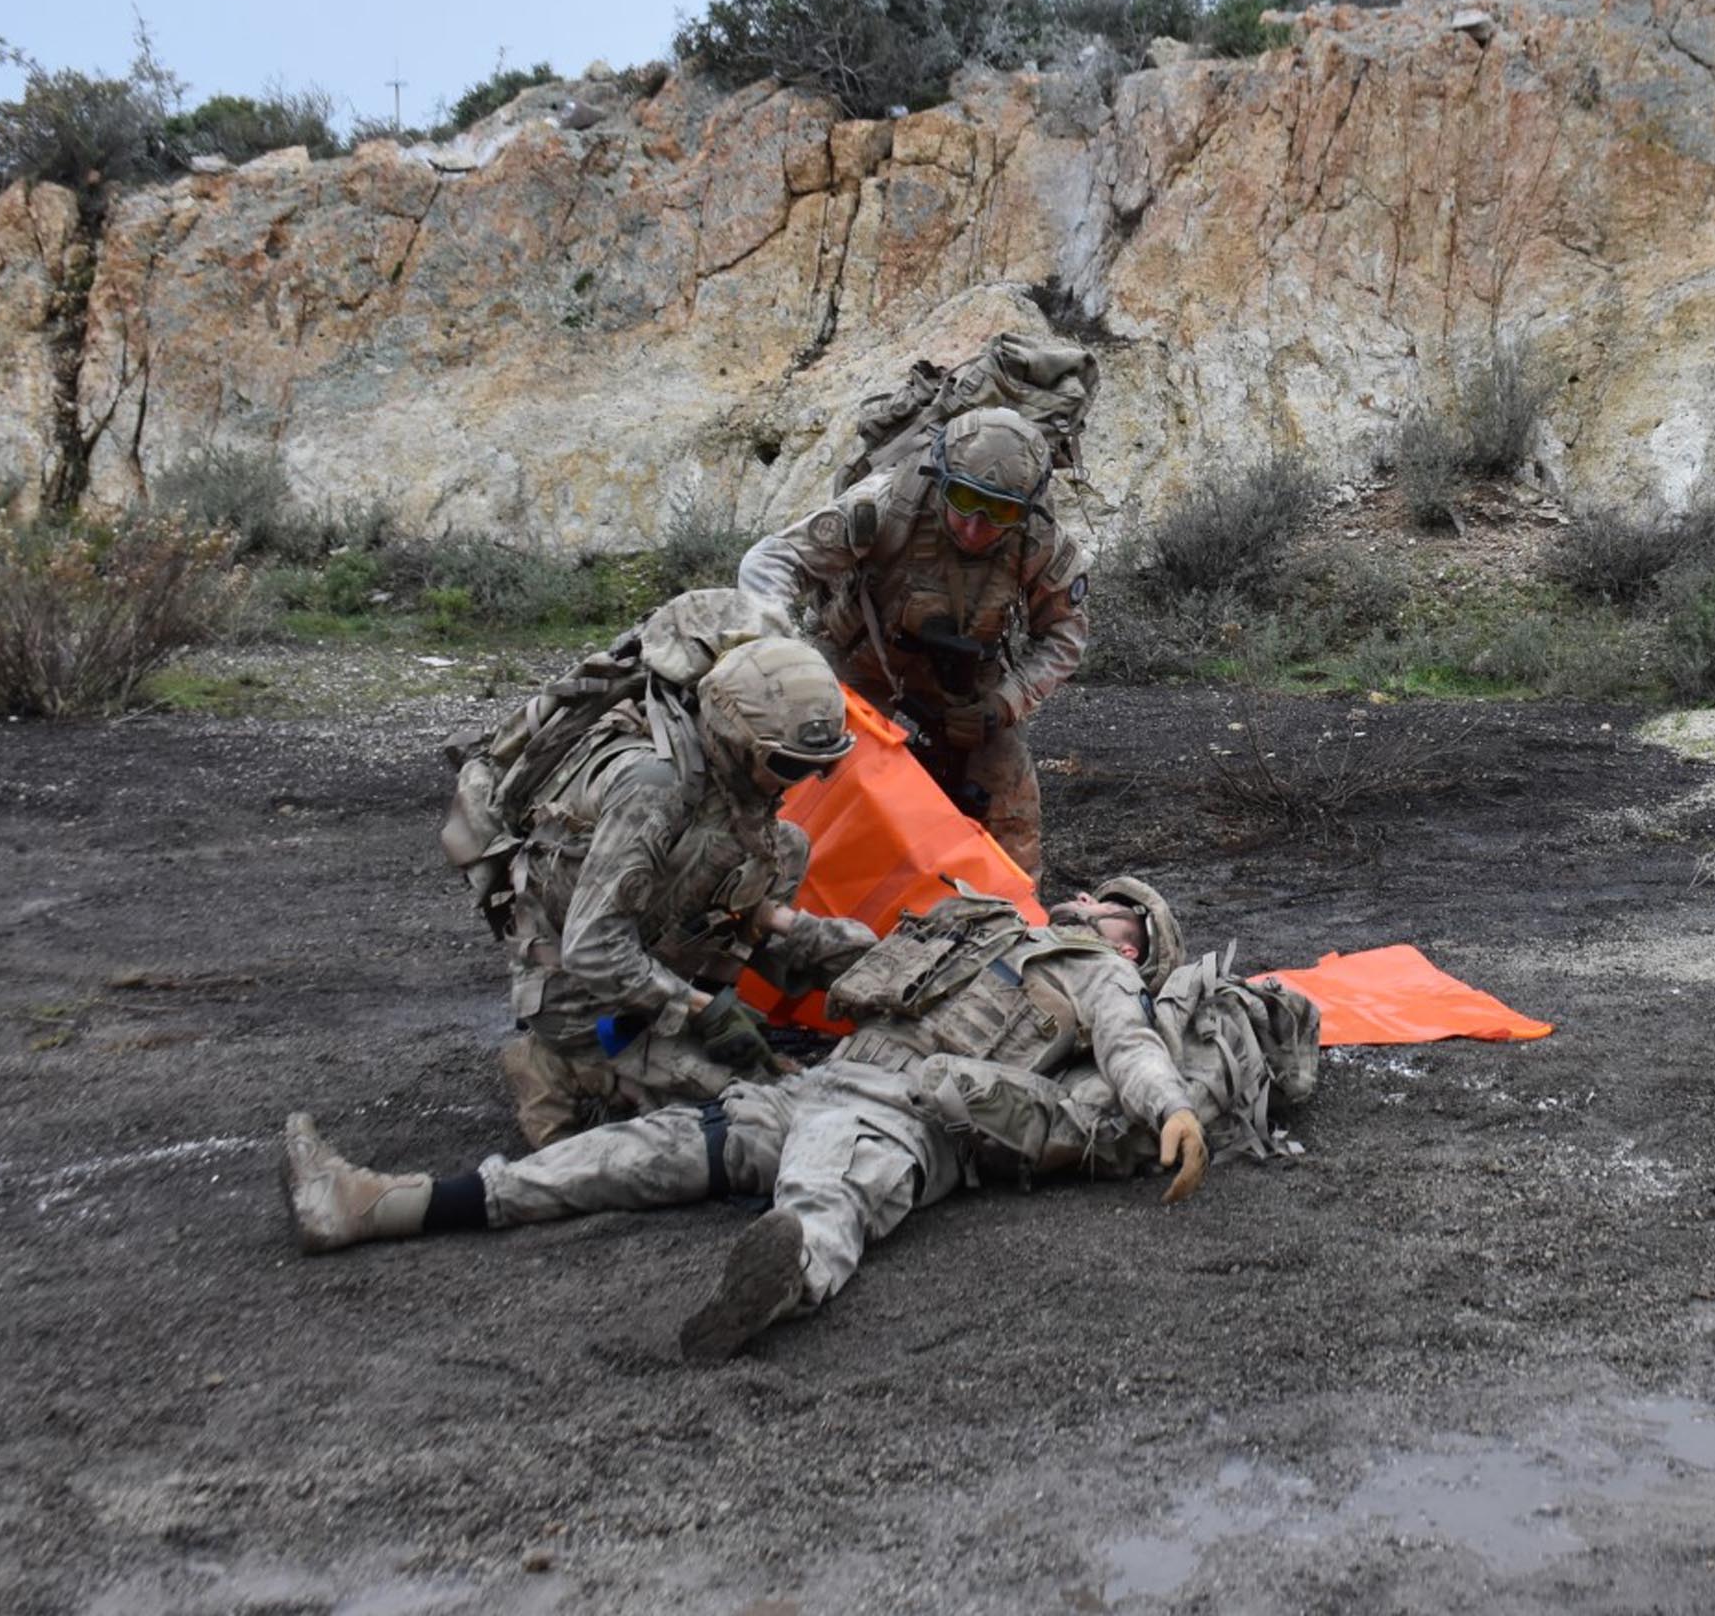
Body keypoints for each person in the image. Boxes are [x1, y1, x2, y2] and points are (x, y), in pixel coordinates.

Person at [280, 880, 1320, 1361]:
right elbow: (858, 956)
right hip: (820, 1079)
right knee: (633, 1155)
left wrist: (1173, 1107)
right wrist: (776, 920)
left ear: (1141, 944)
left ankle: (785, 1277)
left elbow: (1132, 1046)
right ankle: (381, 1204)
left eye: (1124, 911)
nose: (1099, 907)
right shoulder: (977, 923)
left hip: (910, 1113)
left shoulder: (1099, 978)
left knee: (831, 1192)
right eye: (1099, 895)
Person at [482, 619, 880, 1145]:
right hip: (576, 990)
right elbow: (593, 950)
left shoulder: (738, 789)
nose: (798, 780)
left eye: (818, 767)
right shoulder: (654, 787)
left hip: (650, 955)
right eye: (786, 763)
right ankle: (561, 1067)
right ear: (734, 738)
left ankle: (668, 1039)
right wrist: (706, 1010)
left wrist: (812, 940)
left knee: (788, 846)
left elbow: (729, 902)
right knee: (755, 1108)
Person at [738, 408, 1087, 878]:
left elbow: (1065, 635)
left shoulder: (1039, 543)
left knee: (1008, 791)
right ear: (938, 478)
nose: (974, 526)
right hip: (860, 658)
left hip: (967, 683)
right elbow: (771, 562)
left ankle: (1019, 924)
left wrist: (1002, 704)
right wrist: (784, 655)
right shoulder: (886, 504)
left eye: (1000, 511)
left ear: (1027, 510)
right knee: (810, 766)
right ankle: (772, 882)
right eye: (962, 499)